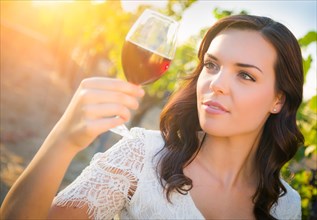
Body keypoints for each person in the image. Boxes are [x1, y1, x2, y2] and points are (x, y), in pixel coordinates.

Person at [1, 14, 304, 219]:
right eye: (211, 65)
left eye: (246, 76)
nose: (217, 84)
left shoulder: (286, 206)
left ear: (278, 99)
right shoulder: (141, 157)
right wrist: (63, 140)